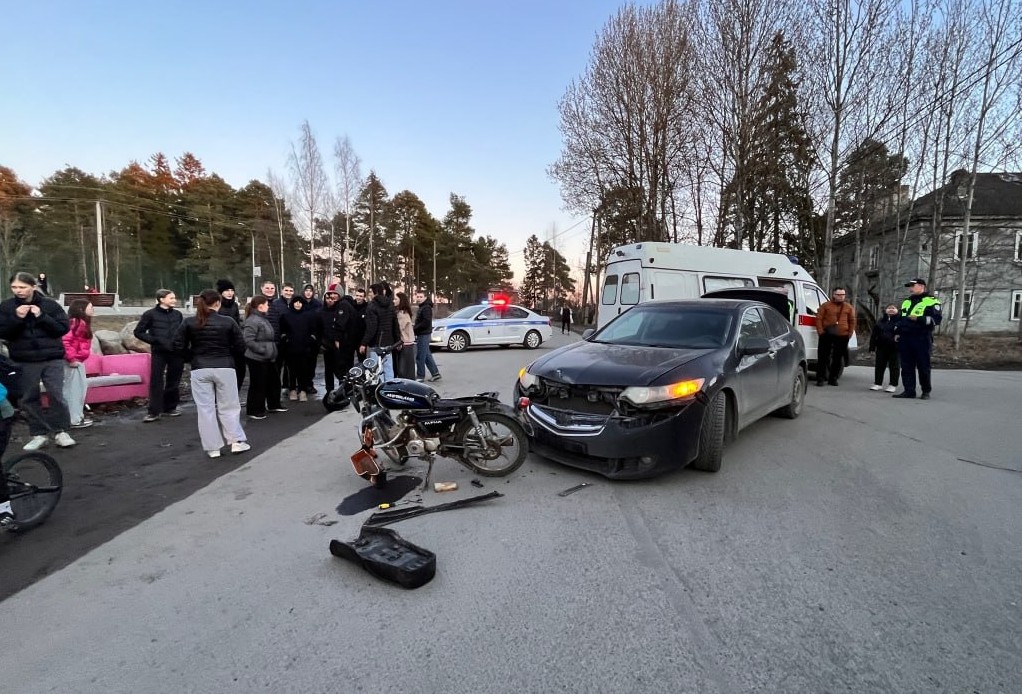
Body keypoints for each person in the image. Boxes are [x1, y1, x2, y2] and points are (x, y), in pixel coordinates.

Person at [0, 272, 75, 450]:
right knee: (29, 397)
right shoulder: (6, 307)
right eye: (14, 287)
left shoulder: (50, 305)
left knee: (56, 395)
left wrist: (41, 316)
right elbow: (3, 332)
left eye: (23, 287)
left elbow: (62, 328)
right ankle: (38, 433)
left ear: (33, 287)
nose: (18, 291)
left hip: (52, 357)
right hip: (24, 359)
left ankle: (61, 431)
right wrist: (16, 318)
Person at [173, 289, 249, 457]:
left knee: (205, 409)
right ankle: (236, 442)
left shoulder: (189, 322)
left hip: (200, 367)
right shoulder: (228, 321)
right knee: (229, 406)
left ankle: (213, 448)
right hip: (225, 366)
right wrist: (230, 356)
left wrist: (192, 358)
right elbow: (240, 346)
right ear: (217, 303)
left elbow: (177, 345)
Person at [134, 289, 185, 422]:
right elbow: (138, 332)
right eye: (171, 298)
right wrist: (155, 340)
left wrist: (181, 344)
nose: (174, 300)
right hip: (159, 352)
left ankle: (170, 407)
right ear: (162, 299)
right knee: (156, 380)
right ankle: (154, 411)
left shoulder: (178, 314)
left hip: (176, 351)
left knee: (174, 380)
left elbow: (182, 331)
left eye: (174, 298)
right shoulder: (150, 314)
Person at [893, 278, 942, 400]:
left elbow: (936, 320)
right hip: (905, 338)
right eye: (909, 286)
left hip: (921, 338)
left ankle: (925, 391)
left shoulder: (932, 301)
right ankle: (909, 391)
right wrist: (898, 332)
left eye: (912, 286)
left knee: (923, 366)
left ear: (921, 286)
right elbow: (901, 318)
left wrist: (919, 319)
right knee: (906, 366)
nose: (910, 288)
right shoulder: (907, 302)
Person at [242, 296, 286, 419]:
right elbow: (248, 340)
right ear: (260, 306)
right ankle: (254, 410)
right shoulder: (252, 320)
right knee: (258, 384)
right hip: (257, 358)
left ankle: (273, 404)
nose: (268, 307)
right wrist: (263, 350)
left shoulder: (263, 318)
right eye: (266, 304)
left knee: (273, 382)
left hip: (268, 357)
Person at [62, 298, 95, 428]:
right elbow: (65, 341)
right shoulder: (76, 323)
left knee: (78, 390)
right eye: (90, 307)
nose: (93, 309)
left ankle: (76, 417)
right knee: (74, 391)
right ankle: (74, 419)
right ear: (82, 309)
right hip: (73, 362)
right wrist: (71, 359)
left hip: (77, 361)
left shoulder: (80, 323)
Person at [279, 295, 319, 401]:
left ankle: (302, 391)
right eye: (295, 302)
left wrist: (310, 340)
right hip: (290, 348)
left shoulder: (308, 316)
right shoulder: (286, 316)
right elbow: (282, 331)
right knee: (292, 371)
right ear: (292, 303)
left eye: (300, 302)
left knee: (304, 370)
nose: (298, 304)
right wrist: (286, 339)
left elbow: (314, 331)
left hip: (305, 348)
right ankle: (292, 389)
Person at [814, 287, 856, 387]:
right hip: (826, 334)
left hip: (842, 336)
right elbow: (819, 318)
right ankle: (820, 378)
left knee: (837, 358)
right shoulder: (826, 305)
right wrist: (820, 332)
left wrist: (849, 333)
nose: (841, 297)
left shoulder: (848, 307)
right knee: (823, 357)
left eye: (843, 295)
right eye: (838, 295)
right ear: (834, 295)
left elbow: (852, 321)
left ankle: (833, 378)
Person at [360, 282, 400, 381]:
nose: (369, 294)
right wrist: (398, 340)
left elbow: (371, 327)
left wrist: (364, 343)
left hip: (376, 343)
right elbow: (395, 324)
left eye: (370, 292)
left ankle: (380, 388)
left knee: (377, 370)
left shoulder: (372, 306)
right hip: (389, 342)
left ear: (376, 292)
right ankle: (390, 387)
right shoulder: (390, 304)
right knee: (388, 368)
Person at [216, 279, 245, 393]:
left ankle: (235, 393)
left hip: (235, 343)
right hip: (221, 344)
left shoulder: (234, 306)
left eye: (232, 290)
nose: (230, 293)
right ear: (221, 292)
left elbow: (237, 323)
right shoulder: (217, 305)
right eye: (227, 290)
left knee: (240, 370)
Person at [318, 290, 348, 392]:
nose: (330, 300)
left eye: (332, 298)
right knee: (328, 369)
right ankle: (329, 389)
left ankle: (342, 388)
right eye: (327, 298)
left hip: (338, 344)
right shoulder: (321, 312)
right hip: (326, 344)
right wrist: (321, 343)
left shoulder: (338, 310)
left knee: (340, 367)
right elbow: (318, 329)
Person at [869, 304, 900, 393]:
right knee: (879, 365)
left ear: (897, 310)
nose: (891, 309)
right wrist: (872, 347)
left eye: (893, 308)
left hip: (895, 347)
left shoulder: (900, 321)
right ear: (885, 310)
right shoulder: (881, 321)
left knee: (894, 366)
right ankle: (878, 383)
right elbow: (874, 335)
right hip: (881, 346)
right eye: (889, 308)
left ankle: (893, 385)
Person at [412, 290, 441, 382]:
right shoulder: (423, 307)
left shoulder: (426, 308)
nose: (419, 299)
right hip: (422, 333)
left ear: (425, 297)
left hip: (423, 334)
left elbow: (426, 322)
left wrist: (415, 328)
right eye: (417, 297)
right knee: (427, 355)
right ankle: (435, 373)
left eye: (421, 297)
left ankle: (420, 376)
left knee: (420, 356)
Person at [338, 288, 367, 373]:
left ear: (364, 297)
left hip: (361, 339)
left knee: (362, 360)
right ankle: (350, 376)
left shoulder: (367, 307)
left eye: (361, 296)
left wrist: (365, 341)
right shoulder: (350, 305)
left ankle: (363, 376)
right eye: (357, 295)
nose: (358, 298)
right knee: (349, 360)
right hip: (350, 338)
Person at [394, 291, 416, 379]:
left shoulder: (402, 314)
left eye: (396, 299)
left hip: (405, 343)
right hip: (407, 343)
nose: (393, 301)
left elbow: (399, 328)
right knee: (407, 368)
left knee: (404, 370)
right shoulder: (404, 313)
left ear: (401, 301)